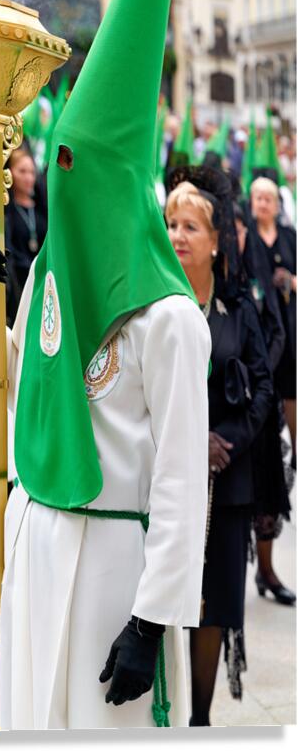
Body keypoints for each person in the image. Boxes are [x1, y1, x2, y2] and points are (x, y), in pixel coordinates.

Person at [0, 0, 211, 729]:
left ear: (117, 186)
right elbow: (9, 377)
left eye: (75, 168)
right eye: (56, 165)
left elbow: (180, 480)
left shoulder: (171, 318)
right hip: (37, 542)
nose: (62, 185)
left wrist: (152, 616)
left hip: (113, 574)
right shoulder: (50, 281)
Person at [166, 168, 274, 725]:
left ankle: (200, 724)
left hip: (225, 483)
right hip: (166, 479)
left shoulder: (238, 308)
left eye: (190, 226)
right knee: (169, 599)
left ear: (215, 241)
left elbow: (263, 389)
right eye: (171, 224)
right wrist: (189, 441)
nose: (177, 235)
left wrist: (225, 442)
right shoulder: (155, 305)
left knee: (213, 606)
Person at [234, 205, 294, 605]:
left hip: (262, 394)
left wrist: (261, 374)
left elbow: (276, 328)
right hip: (228, 400)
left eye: (241, 230)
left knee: (267, 490)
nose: (236, 236)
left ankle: (267, 572)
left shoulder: (256, 267)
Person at [250, 177, 296, 471]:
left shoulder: (289, 236)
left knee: (290, 386)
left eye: (269, 198)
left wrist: (290, 280)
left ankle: (295, 449)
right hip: (259, 323)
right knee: (264, 384)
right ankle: (266, 453)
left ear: (277, 205)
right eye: (259, 198)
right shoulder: (246, 235)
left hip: (288, 322)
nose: (264, 203)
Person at [5, 148, 47, 323]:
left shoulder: (41, 208)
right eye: (22, 171)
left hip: (42, 281)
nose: (29, 177)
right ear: (9, 173)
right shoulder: (7, 211)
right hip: (19, 283)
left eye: (31, 172)